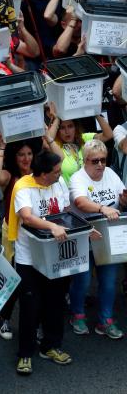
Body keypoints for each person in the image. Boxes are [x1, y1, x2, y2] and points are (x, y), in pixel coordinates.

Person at [8, 150, 75, 375]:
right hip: (30, 258)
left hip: (55, 255)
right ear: (44, 173)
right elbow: (27, 216)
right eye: (56, 172)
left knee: (55, 303)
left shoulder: (58, 184)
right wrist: (52, 226)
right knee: (30, 306)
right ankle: (25, 354)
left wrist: (84, 230)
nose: (60, 175)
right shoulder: (23, 188)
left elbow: (66, 212)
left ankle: (51, 346)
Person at [68, 139, 127, 339]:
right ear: (85, 161)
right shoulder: (78, 178)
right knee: (82, 281)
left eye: (103, 160)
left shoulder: (110, 174)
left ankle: (106, 320)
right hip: (85, 236)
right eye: (95, 161)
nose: (100, 165)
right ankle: (77, 314)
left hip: (108, 237)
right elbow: (81, 202)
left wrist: (124, 199)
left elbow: (121, 194)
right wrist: (102, 208)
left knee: (109, 281)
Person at [0, 137, 40, 340]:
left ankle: (33, 323)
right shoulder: (10, 176)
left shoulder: (40, 174)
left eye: (29, 154)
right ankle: (4, 315)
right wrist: (1, 147)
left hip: (36, 233)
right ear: (15, 156)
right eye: (21, 154)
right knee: (15, 278)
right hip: (12, 231)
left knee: (36, 278)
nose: (26, 158)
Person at [47, 104, 113, 184]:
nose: (67, 131)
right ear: (58, 130)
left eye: (70, 126)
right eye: (62, 128)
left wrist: (96, 113)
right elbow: (48, 140)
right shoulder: (55, 145)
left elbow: (108, 135)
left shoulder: (84, 138)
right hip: (68, 194)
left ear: (76, 127)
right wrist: (57, 118)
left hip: (90, 190)